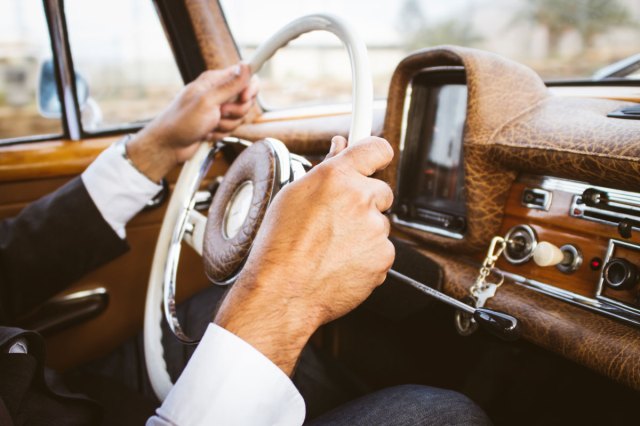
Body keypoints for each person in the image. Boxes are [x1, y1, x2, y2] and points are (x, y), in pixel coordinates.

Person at [0, 62, 491, 425]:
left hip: (44, 393)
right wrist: (283, 291)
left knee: (210, 309)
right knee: (441, 415)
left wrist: (158, 148)